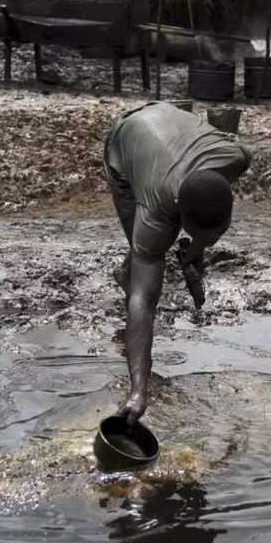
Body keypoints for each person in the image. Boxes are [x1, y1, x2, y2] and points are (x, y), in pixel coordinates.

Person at [103, 101, 250, 425]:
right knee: (142, 267)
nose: (211, 241)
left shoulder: (235, 159)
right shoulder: (155, 214)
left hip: (171, 120)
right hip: (126, 140)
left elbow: (208, 217)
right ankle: (127, 275)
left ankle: (147, 262)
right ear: (178, 217)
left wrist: (198, 248)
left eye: (216, 235)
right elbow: (145, 303)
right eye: (198, 234)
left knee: (153, 251)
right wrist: (139, 391)